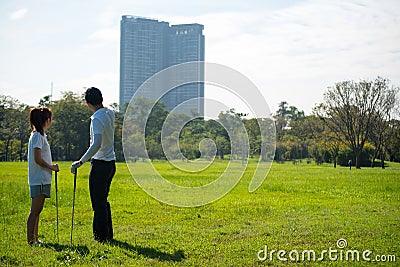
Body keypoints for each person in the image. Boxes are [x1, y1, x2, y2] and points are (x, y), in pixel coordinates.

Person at [70, 87, 116, 242]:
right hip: (111, 163)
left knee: (98, 202)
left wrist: (81, 161)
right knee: (103, 200)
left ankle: (101, 237)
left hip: (100, 163)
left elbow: (96, 144)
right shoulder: (110, 113)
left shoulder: (96, 119)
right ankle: (108, 234)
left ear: (88, 103)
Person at [27, 107, 59, 246]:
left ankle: (35, 238)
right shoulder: (37, 136)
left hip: (42, 178)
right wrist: (52, 167)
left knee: (38, 211)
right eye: (49, 118)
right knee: (35, 211)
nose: (50, 121)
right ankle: (30, 241)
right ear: (45, 120)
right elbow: (38, 159)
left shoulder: (40, 135)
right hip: (39, 179)